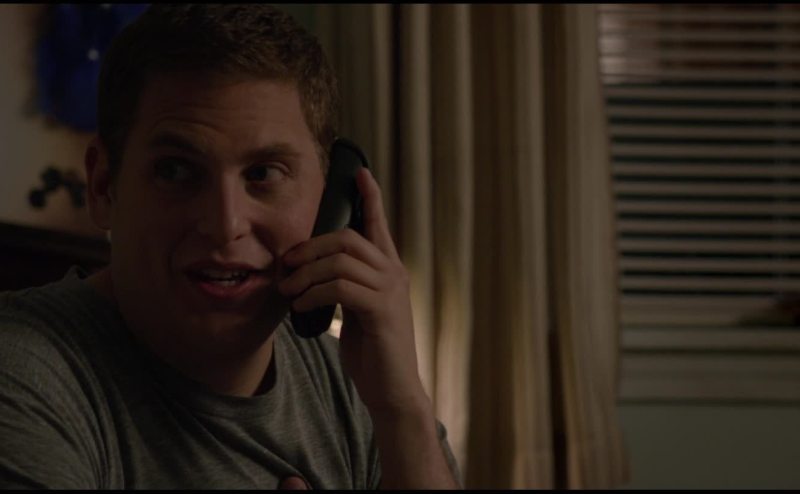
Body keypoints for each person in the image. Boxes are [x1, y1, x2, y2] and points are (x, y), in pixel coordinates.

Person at [0, 4, 461, 489]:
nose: (225, 226)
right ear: (103, 187)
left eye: (263, 174)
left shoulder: (358, 387)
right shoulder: (23, 376)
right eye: (176, 171)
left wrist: (403, 409)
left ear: (330, 199)